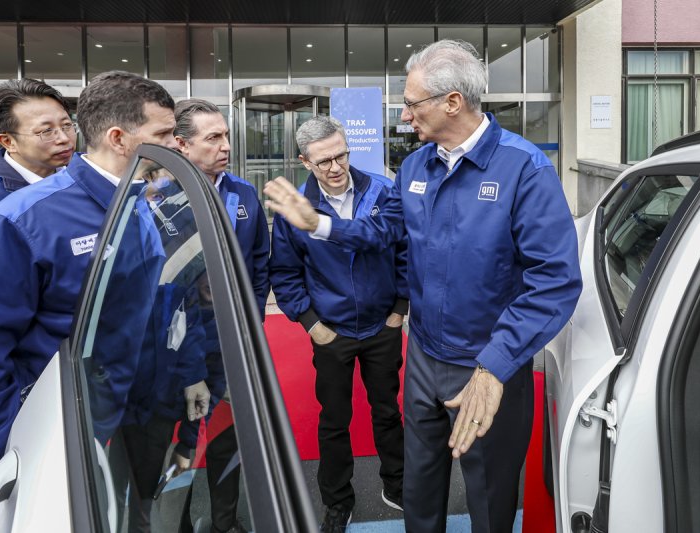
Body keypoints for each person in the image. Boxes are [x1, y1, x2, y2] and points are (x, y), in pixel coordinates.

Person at [264, 40, 583, 533]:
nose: (406, 117)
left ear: (451, 102)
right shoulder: (414, 168)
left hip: (487, 368)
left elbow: (555, 281)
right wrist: (318, 225)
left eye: (412, 104)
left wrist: (495, 366)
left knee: (490, 498)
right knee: (420, 490)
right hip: (424, 361)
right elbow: (381, 233)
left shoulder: (525, 169)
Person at [0, 71, 199, 506]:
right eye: (165, 133)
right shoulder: (22, 220)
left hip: (118, 423)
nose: (179, 143)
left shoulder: (136, 201)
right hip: (51, 435)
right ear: (120, 139)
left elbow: (147, 309)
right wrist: (1, 479)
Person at [270, 116, 408, 532]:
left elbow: (403, 250)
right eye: (324, 160)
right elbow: (286, 271)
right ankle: (337, 500)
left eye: (341, 155)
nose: (335, 167)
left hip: (382, 326)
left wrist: (399, 309)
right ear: (305, 162)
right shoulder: (297, 208)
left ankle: (397, 485)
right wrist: (312, 323)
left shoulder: (382, 190)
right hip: (331, 332)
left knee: (387, 411)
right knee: (334, 419)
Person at [172, 98, 270, 533]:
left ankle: (224, 521)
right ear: (182, 145)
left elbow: (261, 263)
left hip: (233, 343)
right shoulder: (159, 199)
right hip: (179, 349)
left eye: (226, 135)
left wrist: (252, 324)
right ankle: (173, 521)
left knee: (229, 438)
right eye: (213, 138)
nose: (226, 145)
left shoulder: (244, 193)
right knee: (181, 442)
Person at [0, 78, 75, 282]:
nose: (64, 138)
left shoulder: (78, 181)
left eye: (67, 125)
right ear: (8, 141)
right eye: (46, 131)